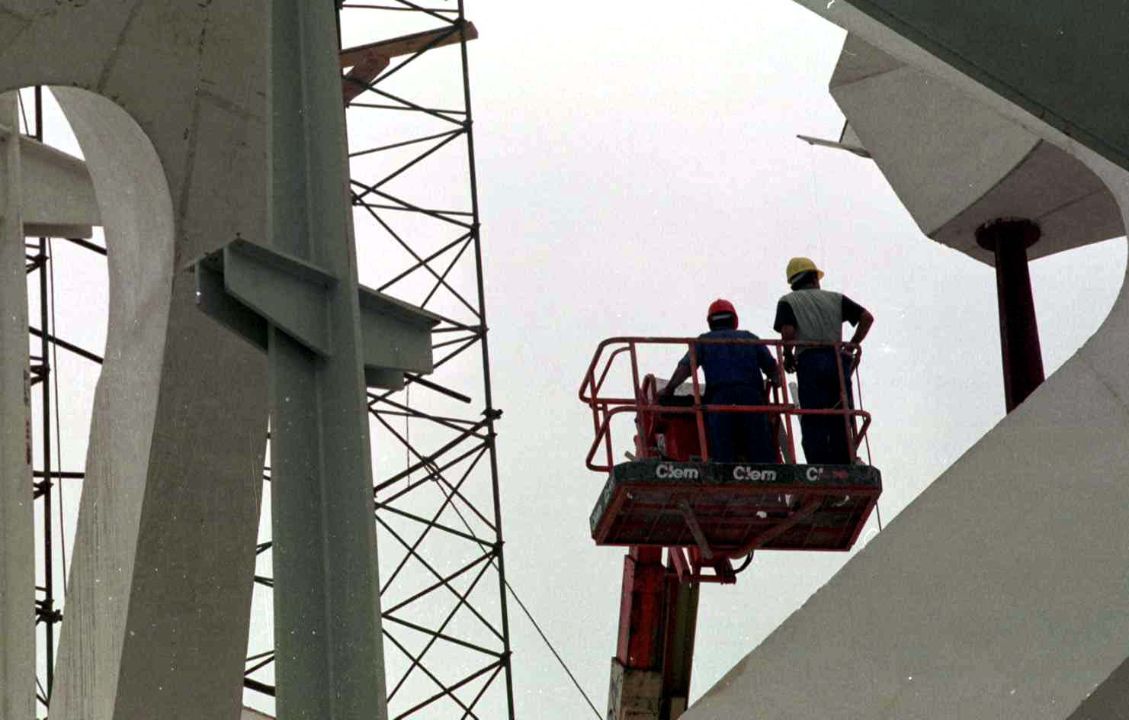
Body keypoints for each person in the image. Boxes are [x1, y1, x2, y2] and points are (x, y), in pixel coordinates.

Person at [774, 257, 874, 464]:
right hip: (837, 359)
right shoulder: (835, 298)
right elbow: (866, 318)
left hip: (810, 361)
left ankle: (819, 465)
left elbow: (788, 331)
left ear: (793, 282)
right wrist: (852, 344)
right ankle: (846, 461)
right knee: (842, 411)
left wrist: (788, 355)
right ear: (813, 278)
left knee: (813, 414)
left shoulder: (788, 301)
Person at [659, 299, 779, 463]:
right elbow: (772, 368)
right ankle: (767, 477)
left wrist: (669, 389)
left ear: (710, 323)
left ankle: (725, 477)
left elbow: (685, 367)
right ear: (734, 319)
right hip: (752, 399)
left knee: (723, 450)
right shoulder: (749, 338)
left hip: (720, 400)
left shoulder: (704, 341)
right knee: (760, 447)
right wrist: (777, 381)